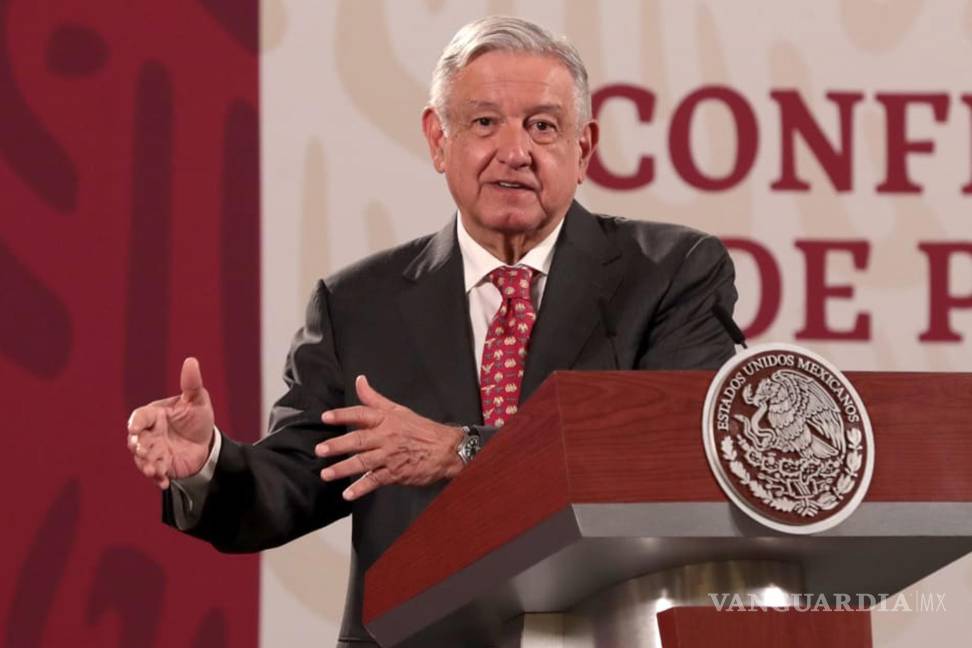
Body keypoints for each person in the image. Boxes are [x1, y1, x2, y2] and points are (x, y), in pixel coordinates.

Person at [126, 16, 738, 647]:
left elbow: (676, 452)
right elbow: (293, 485)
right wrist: (207, 463)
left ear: (583, 149)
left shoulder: (670, 273)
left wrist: (461, 450)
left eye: (542, 126)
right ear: (438, 140)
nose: (514, 151)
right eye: (484, 122)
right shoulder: (358, 304)